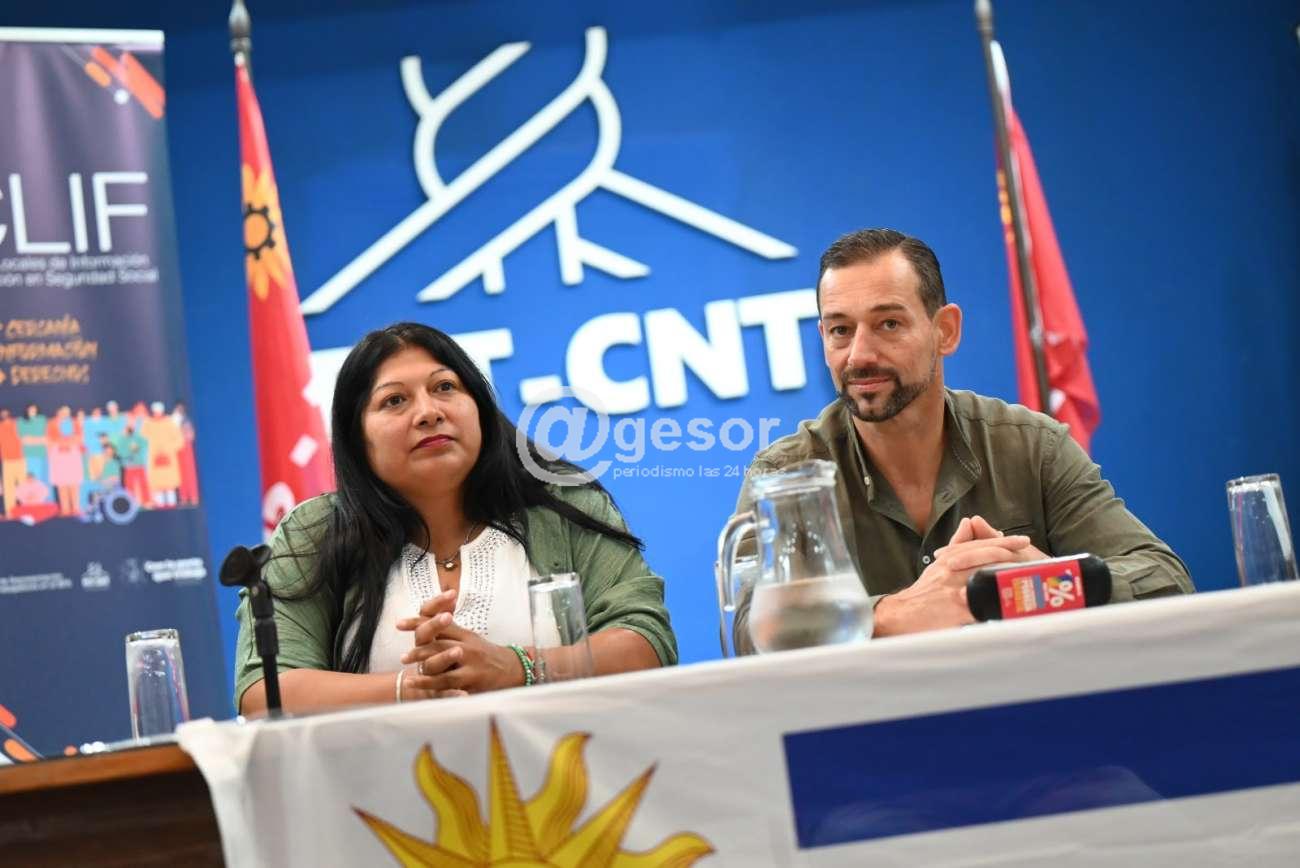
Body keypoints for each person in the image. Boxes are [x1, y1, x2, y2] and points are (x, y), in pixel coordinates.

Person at [731, 228, 1191, 650]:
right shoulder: (785, 474)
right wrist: (893, 614)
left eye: (888, 324)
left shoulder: (1033, 447)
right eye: (840, 330)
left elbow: (1167, 581)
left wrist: (1045, 583)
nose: (860, 354)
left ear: (945, 331)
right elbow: (752, 635)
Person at [235, 322, 675, 714]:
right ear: (357, 439)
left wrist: (515, 667)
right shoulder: (314, 533)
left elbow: (646, 644)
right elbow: (263, 692)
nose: (429, 412)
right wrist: (411, 688)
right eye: (394, 400)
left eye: (445, 387)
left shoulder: (561, 502)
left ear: (479, 407)